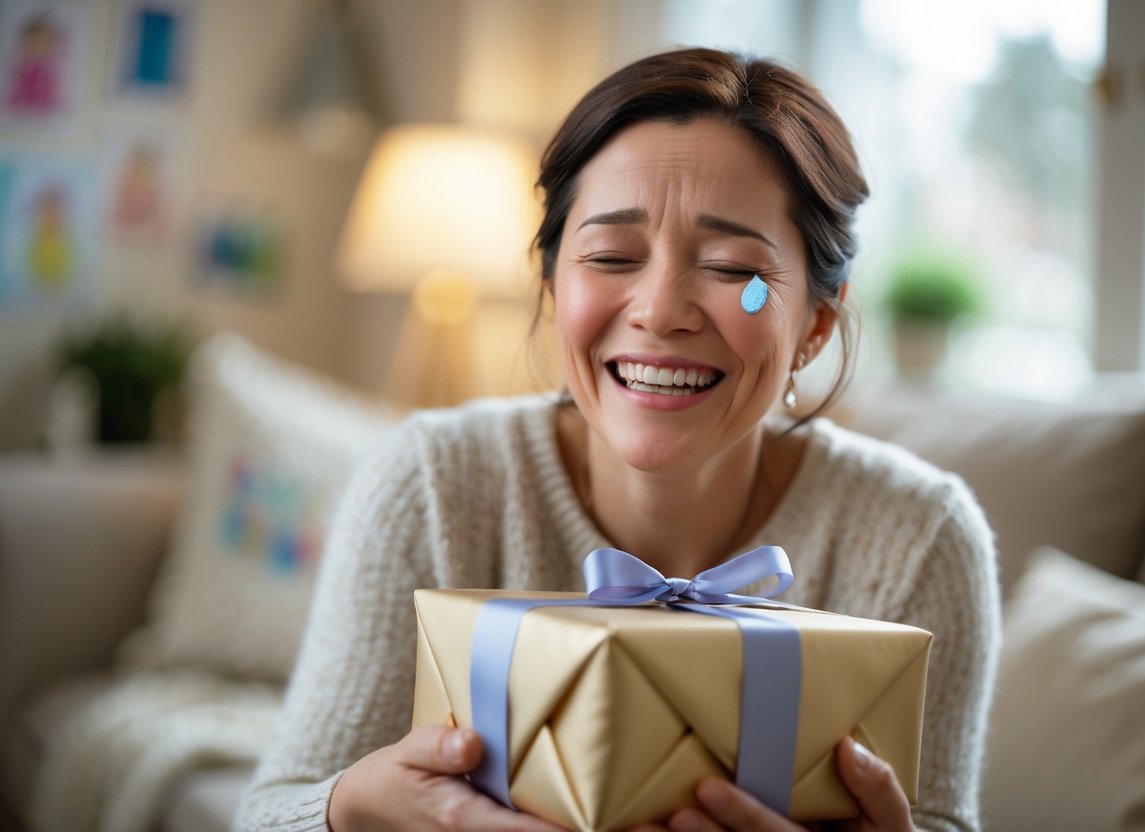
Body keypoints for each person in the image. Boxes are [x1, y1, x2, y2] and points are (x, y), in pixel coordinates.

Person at [236, 47, 999, 832]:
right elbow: (265, 813)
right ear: (551, 287)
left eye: (733, 267)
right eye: (609, 257)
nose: (660, 310)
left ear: (813, 325)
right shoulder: (432, 481)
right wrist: (351, 808)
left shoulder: (918, 537)